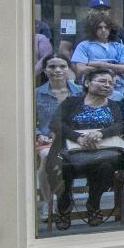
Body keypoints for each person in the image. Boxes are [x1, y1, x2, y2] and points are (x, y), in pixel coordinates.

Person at [48, 70, 124, 230]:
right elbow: (56, 123)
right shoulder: (71, 102)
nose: (107, 85)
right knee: (63, 167)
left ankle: (93, 203)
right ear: (87, 83)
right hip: (71, 148)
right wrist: (78, 137)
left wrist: (100, 133)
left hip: (103, 150)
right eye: (102, 81)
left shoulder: (114, 105)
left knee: (106, 166)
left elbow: (121, 125)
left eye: (111, 83)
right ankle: (64, 207)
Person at [35, 56, 83, 211]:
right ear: (44, 70)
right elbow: (28, 119)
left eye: (62, 66)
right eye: (52, 66)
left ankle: (64, 197)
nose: (57, 70)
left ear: (69, 69)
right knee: (48, 158)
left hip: (76, 139)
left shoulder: (80, 92)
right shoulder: (36, 94)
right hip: (47, 139)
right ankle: (48, 203)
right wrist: (37, 134)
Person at [70, 15, 124, 99]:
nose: (103, 30)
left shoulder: (120, 47)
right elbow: (81, 69)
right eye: (99, 27)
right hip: (91, 90)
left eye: (106, 27)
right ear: (93, 29)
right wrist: (111, 68)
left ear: (111, 29)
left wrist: (100, 64)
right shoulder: (84, 45)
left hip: (117, 90)